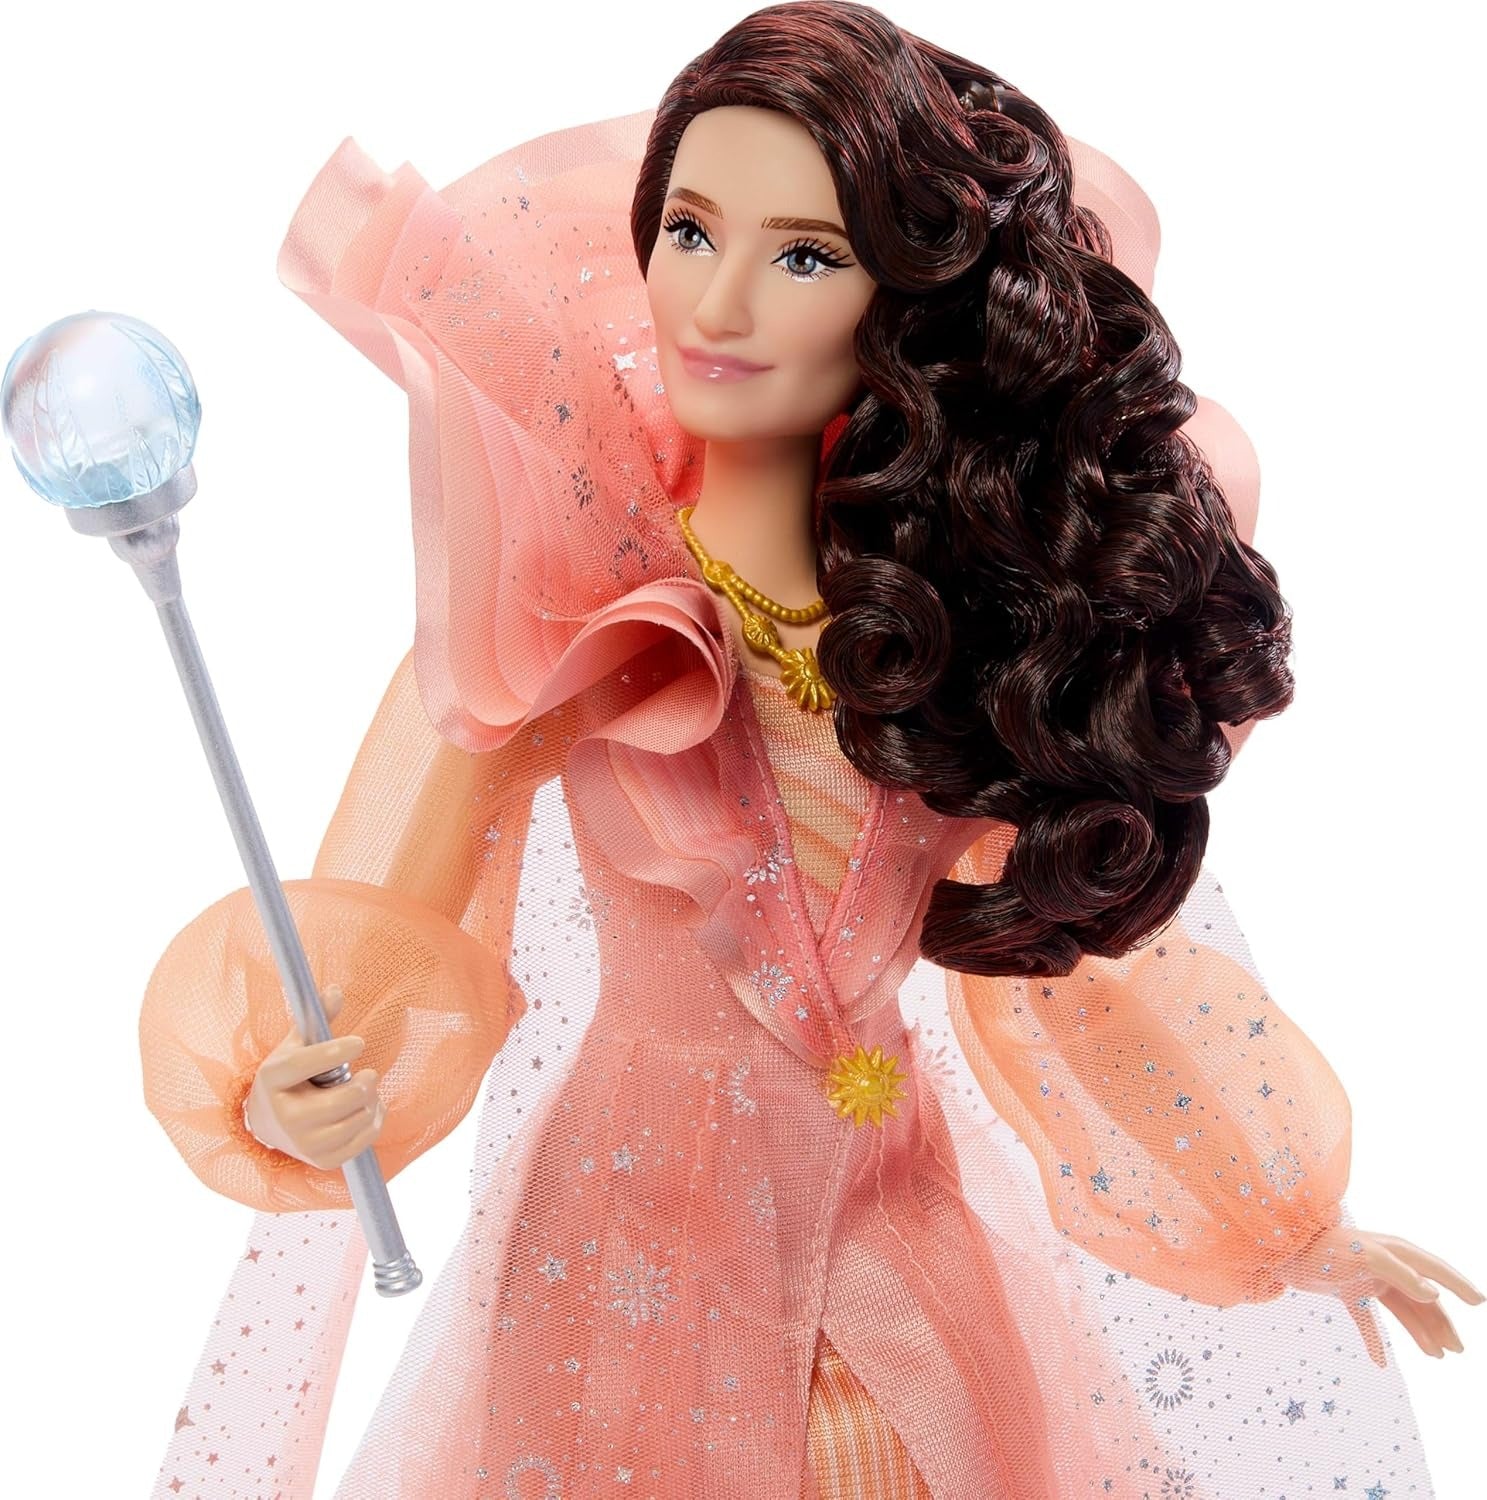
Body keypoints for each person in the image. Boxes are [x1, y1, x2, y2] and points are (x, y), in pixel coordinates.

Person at [140, 4, 1479, 1495]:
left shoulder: (945, 625)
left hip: (892, 1224)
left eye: (802, 258)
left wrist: (1279, 1213)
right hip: (625, 1267)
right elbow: (386, 926)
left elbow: (1080, 986)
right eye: (689, 232)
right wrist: (306, 1083)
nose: (715, 305)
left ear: (904, 305)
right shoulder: (567, 601)